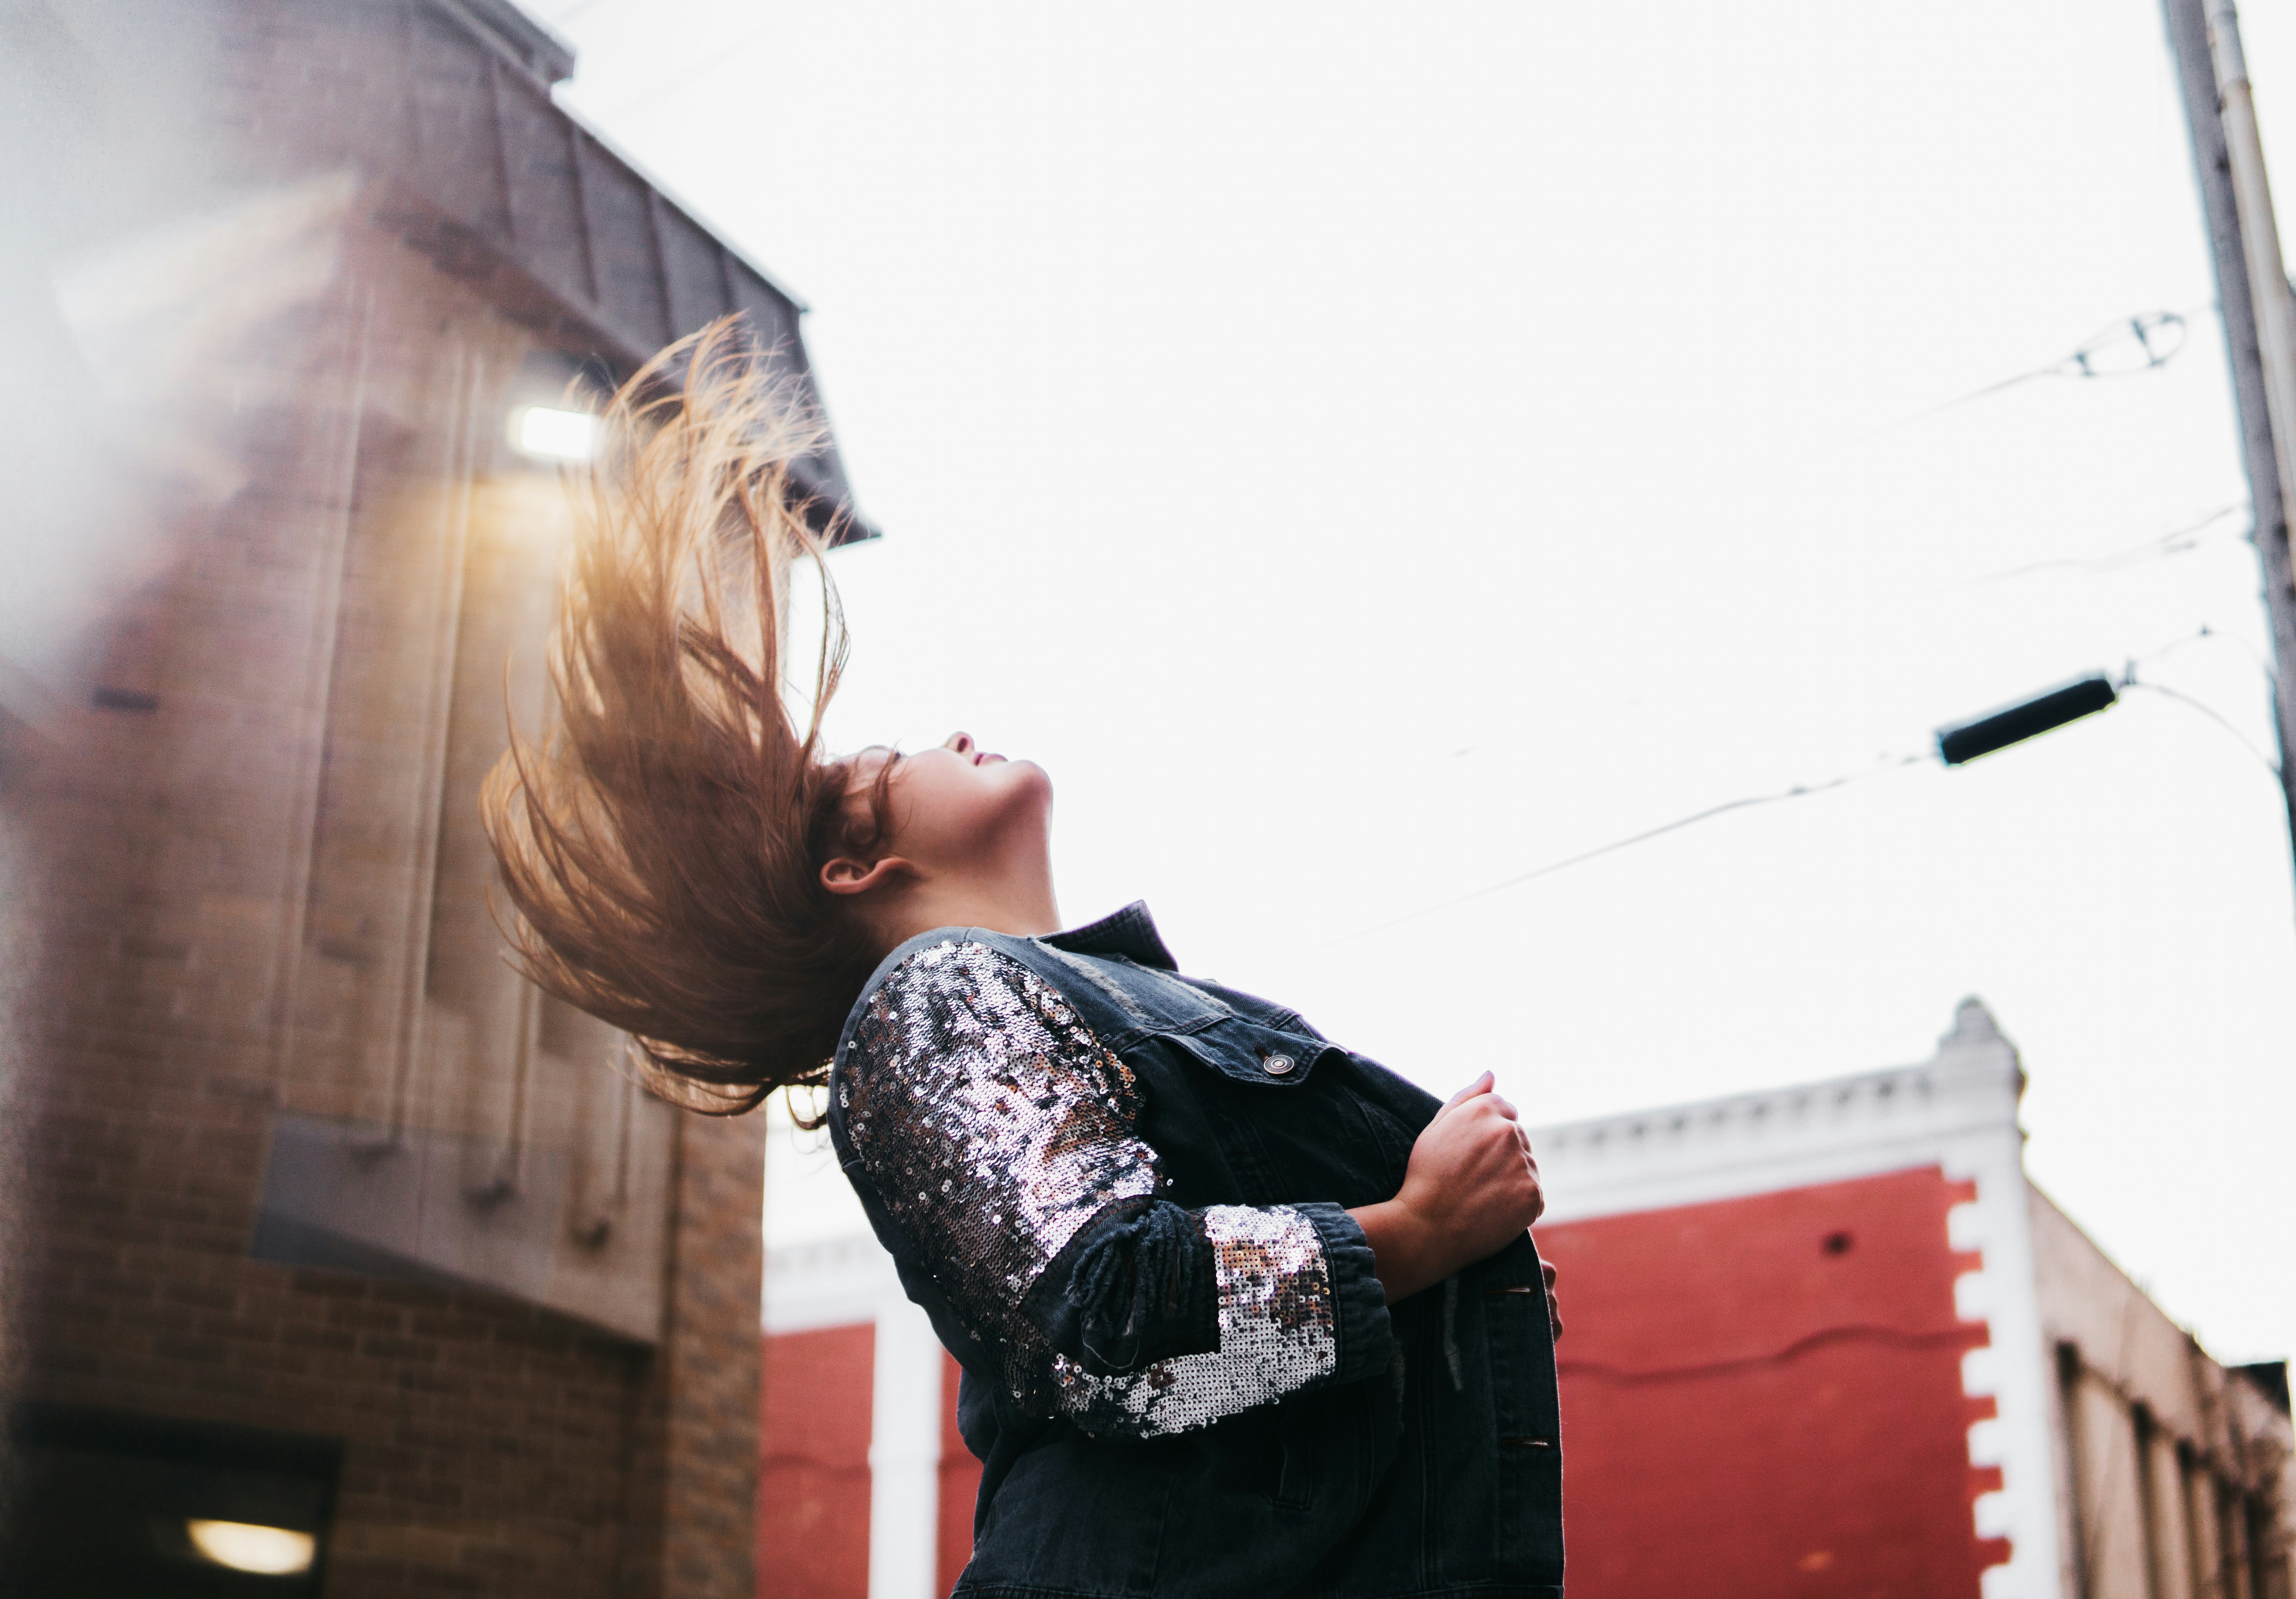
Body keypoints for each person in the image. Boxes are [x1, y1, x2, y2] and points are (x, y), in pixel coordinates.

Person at [484, 324, 1565, 1598]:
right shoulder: (933, 994)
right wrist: (1416, 1237)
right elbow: (1111, 1334)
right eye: (899, 757)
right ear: (856, 863)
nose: (953, 731)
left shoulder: (1096, 1006)